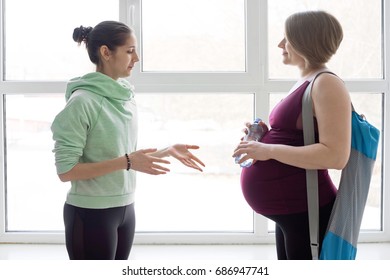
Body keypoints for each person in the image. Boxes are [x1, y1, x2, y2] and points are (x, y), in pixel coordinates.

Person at [51, 20, 205, 260]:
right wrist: (127, 162)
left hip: (125, 209)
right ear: (105, 52)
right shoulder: (82, 102)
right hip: (90, 211)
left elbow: (124, 157)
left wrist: (167, 151)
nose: (137, 58)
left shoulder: (125, 96)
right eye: (130, 51)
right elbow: (66, 171)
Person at [233, 11, 351, 260]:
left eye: (286, 38)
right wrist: (264, 136)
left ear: (304, 40)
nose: (280, 44)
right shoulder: (308, 80)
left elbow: (336, 155)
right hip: (292, 209)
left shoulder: (327, 83)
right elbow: (299, 135)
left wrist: (268, 150)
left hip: (306, 208)